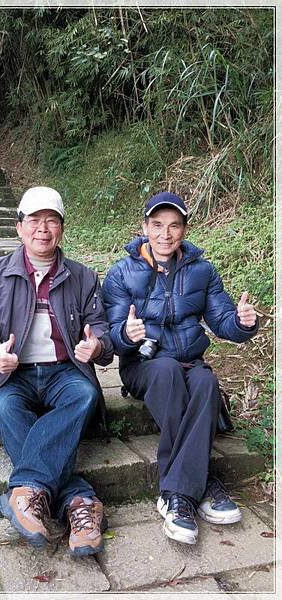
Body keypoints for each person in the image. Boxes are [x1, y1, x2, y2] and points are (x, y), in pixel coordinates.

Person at [102, 191, 258, 545]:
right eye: (157, 225)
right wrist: (126, 334)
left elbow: (223, 322)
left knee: (204, 381)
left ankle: (177, 496)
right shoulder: (121, 273)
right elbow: (111, 335)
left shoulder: (202, 270)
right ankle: (203, 484)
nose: (165, 234)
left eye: (174, 226)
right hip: (146, 365)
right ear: (144, 227)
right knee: (168, 372)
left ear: (184, 230)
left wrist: (243, 322)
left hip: (191, 360)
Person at [0, 186, 113, 556]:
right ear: (19, 227)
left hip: (64, 372)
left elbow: (103, 326)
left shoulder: (83, 277)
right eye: (34, 220)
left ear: (61, 229)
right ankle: (78, 501)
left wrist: (96, 346)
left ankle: (26, 492)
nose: (42, 229)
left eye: (51, 221)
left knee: (86, 394)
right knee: (4, 407)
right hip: (14, 374)